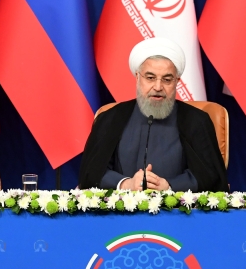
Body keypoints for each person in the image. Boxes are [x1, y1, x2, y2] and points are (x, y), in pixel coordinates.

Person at [79, 38, 228, 192]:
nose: (158, 87)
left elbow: (212, 177)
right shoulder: (110, 118)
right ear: (138, 77)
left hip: (178, 213)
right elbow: (91, 172)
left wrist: (169, 186)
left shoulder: (197, 121)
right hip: (119, 213)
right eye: (150, 78)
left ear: (177, 81)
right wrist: (126, 184)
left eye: (167, 79)